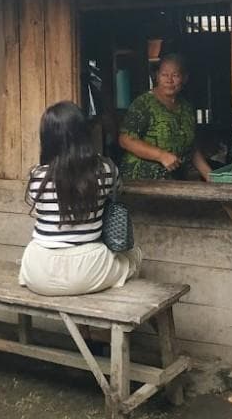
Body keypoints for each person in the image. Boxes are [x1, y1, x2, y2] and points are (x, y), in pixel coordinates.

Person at [19, 101, 141, 296]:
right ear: (85, 134)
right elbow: (117, 190)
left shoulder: (37, 176)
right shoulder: (107, 169)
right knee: (134, 255)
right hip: (87, 269)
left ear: (47, 138)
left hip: (38, 270)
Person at [118, 53, 212, 181]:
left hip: (174, 181)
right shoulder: (144, 104)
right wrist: (161, 155)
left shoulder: (186, 107)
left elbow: (191, 148)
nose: (169, 80)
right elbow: (125, 139)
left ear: (185, 78)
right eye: (164, 75)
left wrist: (210, 176)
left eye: (175, 75)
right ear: (157, 76)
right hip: (141, 181)